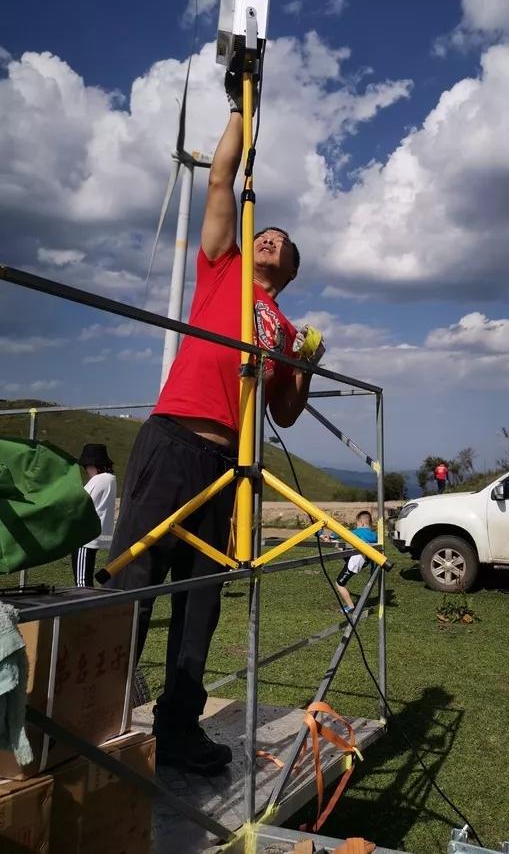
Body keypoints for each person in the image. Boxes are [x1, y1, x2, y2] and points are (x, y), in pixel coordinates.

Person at [107, 70, 322, 776]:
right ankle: (98, 712)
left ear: (289, 268)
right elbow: (223, 180)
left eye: (281, 243)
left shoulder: (284, 329)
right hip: (171, 441)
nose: (271, 241)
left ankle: (177, 729)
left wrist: (308, 361)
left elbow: (285, 411)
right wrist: (240, 108)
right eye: (267, 235)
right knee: (135, 582)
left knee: (201, 603)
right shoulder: (221, 266)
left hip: (228, 465)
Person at [72, 443, 116, 588]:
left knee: (82, 583)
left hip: (86, 537)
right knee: (85, 580)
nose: (86, 470)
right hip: (98, 534)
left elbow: (82, 501)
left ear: (93, 465)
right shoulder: (111, 479)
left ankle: (83, 609)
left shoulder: (98, 480)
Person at [322, 510, 378, 613]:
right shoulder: (374, 535)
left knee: (339, 583)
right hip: (363, 559)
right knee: (341, 548)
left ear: (361, 523)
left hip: (356, 560)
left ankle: (350, 606)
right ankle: (327, 539)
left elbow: (343, 533)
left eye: (357, 524)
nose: (356, 526)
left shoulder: (359, 531)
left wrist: (331, 536)